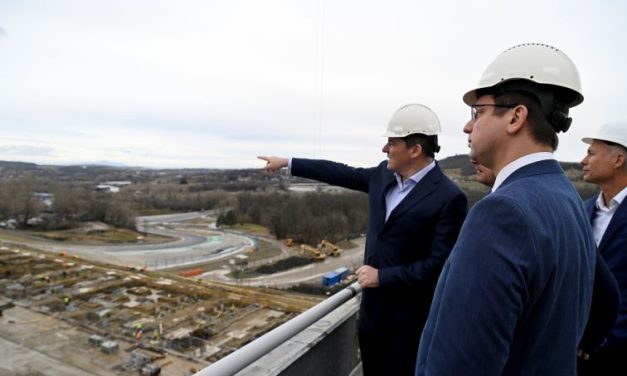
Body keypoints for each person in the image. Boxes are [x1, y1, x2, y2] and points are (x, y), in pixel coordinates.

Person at [416, 43, 597, 375]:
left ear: (516, 117)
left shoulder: (502, 213)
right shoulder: (569, 201)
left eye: (479, 112)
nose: (468, 127)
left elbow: (460, 366)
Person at [259, 103, 467, 376]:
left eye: (391, 143)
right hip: (371, 319)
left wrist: (383, 277)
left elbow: (438, 267)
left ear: (415, 150)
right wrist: (289, 162)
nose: (384, 150)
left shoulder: (448, 198)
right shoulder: (383, 175)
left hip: (410, 327)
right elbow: (339, 172)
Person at [578, 122, 627, 375]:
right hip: (577, 351)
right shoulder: (582, 210)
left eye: (591, 153)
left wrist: (601, 339)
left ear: (618, 159)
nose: (583, 160)